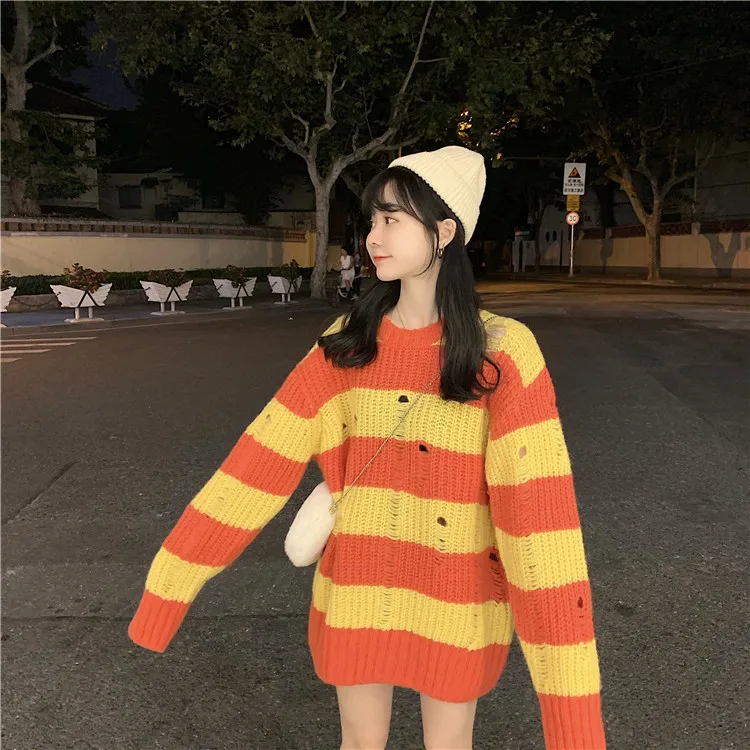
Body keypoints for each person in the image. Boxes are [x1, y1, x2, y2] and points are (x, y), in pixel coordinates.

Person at [127, 145, 606, 750]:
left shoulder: (503, 353)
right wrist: (169, 587)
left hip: (459, 599)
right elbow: (255, 467)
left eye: (392, 220)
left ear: (444, 233)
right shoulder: (346, 345)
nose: (372, 237)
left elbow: (540, 524)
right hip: (357, 589)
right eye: (372, 219)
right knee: (359, 741)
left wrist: (571, 712)